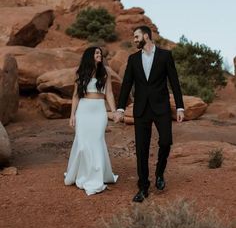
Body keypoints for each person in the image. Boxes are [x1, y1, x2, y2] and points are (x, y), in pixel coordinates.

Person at [115, 26, 184, 202]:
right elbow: (126, 85)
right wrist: (120, 108)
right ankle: (143, 187)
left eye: (137, 36)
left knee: (166, 141)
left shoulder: (165, 56)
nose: (135, 39)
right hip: (141, 109)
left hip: (161, 107)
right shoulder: (133, 59)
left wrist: (180, 107)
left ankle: (159, 173)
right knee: (141, 149)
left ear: (146, 36)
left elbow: (174, 82)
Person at [64, 46, 118, 195]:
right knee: (82, 144)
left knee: (97, 141)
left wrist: (113, 111)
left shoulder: (105, 72)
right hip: (83, 110)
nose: (99, 55)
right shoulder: (81, 73)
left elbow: (110, 94)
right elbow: (75, 96)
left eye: (100, 53)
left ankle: (96, 176)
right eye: (96, 53)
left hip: (99, 111)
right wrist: (72, 115)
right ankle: (83, 174)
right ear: (90, 56)